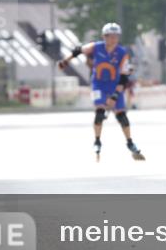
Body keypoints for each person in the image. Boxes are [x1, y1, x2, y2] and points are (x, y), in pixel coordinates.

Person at [58, 22, 144, 161]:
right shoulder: (96, 47)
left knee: (122, 116)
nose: (114, 39)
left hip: (114, 84)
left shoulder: (122, 53)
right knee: (100, 113)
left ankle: (130, 142)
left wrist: (115, 96)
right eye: (111, 36)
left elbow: (123, 77)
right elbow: (79, 50)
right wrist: (65, 61)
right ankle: (97, 141)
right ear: (104, 36)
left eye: (116, 36)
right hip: (98, 84)